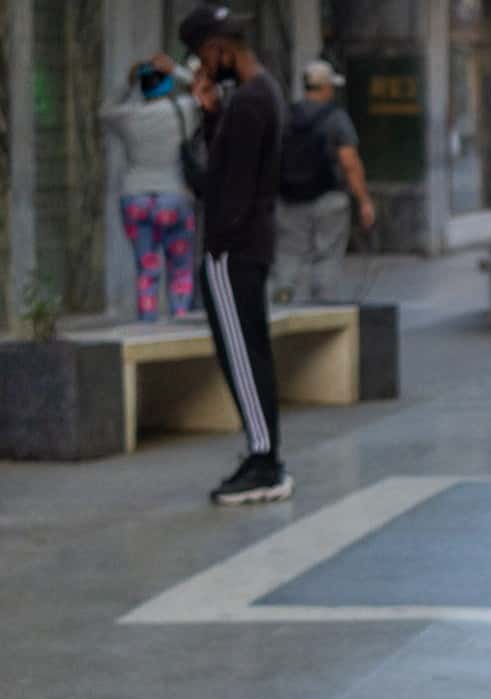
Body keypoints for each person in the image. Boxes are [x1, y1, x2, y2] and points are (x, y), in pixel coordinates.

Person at [178, 4, 291, 505]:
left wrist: (218, 246)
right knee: (251, 351)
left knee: (241, 355)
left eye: (203, 56)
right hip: (249, 242)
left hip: (232, 249)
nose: (202, 67)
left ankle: (264, 460)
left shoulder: (249, 102)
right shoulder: (259, 95)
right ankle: (263, 454)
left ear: (218, 49)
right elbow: (231, 172)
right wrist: (210, 113)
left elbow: (221, 186)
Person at [102, 56, 199, 321]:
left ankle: (147, 325)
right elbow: (206, 91)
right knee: (180, 268)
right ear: (167, 84)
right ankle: (180, 319)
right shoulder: (184, 109)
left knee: (146, 268)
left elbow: (105, 110)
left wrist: (127, 81)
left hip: (135, 200)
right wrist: (177, 70)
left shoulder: (127, 116)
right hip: (175, 197)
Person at [273, 60, 374, 304]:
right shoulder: (336, 118)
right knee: (327, 255)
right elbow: (349, 161)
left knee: (288, 253)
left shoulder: (286, 115)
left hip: (289, 198)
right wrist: (364, 201)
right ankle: (322, 308)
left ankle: (282, 301)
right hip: (329, 198)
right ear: (326, 87)